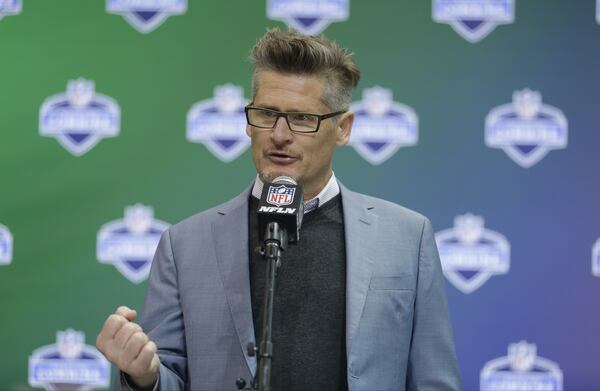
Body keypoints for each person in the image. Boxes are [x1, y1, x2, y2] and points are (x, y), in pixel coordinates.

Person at [96, 28, 461, 391]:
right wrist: (144, 378)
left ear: (343, 128)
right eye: (267, 113)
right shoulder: (185, 246)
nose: (280, 135)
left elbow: (434, 381)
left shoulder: (406, 238)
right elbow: (168, 377)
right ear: (248, 120)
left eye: (302, 118)